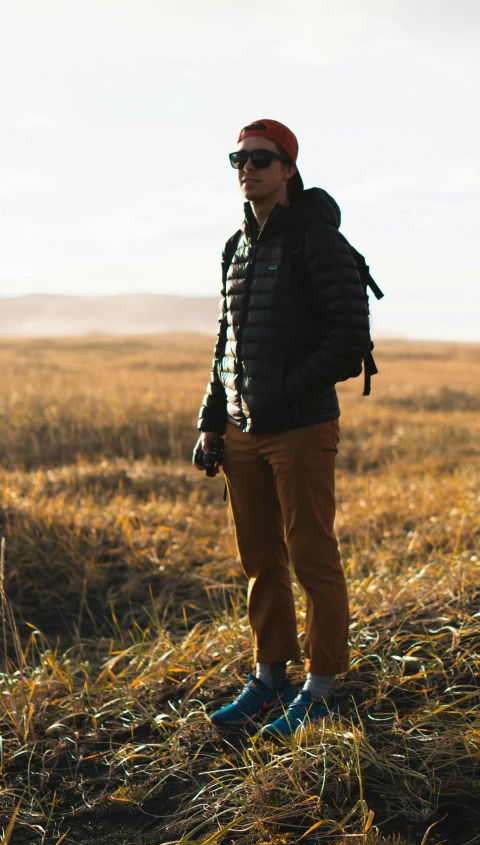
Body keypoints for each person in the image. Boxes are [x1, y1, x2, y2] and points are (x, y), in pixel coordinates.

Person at [193, 119, 370, 738]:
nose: (248, 168)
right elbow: (228, 342)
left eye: (261, 159)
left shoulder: (317, 242)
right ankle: (271, 682)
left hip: (299, 428)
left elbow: (350, 341)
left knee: (312, 557)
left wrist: (283, 391)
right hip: (242, 432)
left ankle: (321, 691)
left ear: (288, 167)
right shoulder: (235, 246)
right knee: (259, 561)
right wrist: (213, 421)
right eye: (238, 159)